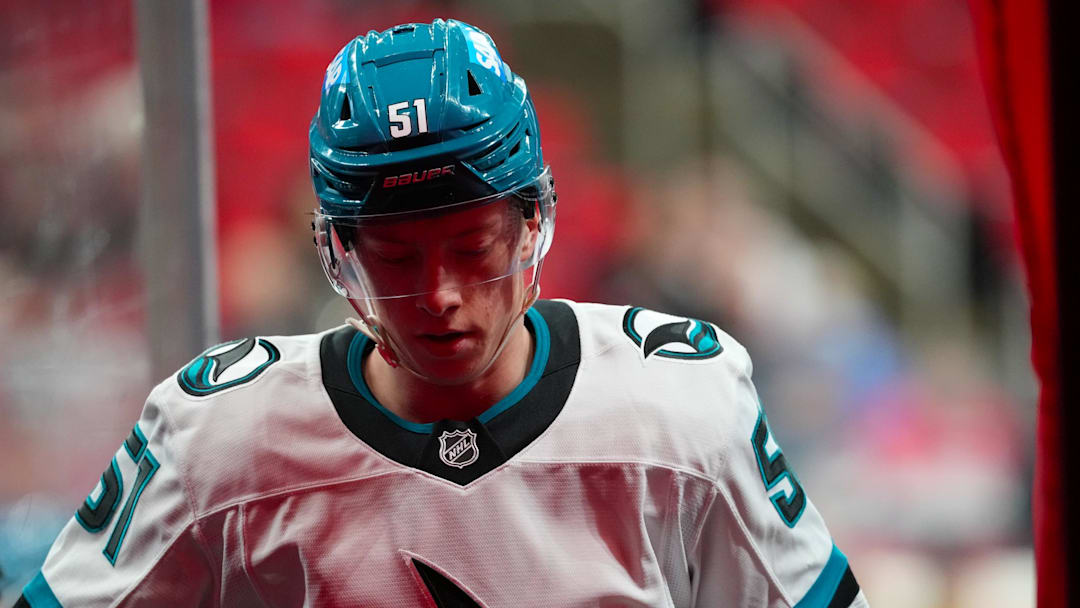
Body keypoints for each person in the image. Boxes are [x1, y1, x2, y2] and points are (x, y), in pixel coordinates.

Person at [16, 19, 867, 607]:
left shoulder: (685, 410)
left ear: (531, 221)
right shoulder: (213, 440)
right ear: (339, 250)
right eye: (395, 255)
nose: (440, 295)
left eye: (472, 246)